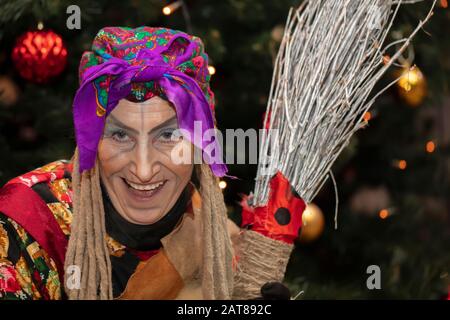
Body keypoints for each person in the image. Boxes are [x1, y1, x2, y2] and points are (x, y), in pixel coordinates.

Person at [0, 26, 305, 300]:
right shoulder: (24, 223)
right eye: (120, 134)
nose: (143, 171)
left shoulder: (206, 229)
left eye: (169, 135)